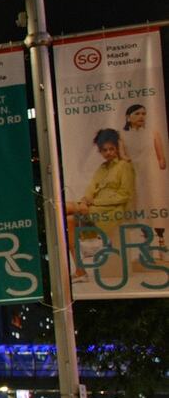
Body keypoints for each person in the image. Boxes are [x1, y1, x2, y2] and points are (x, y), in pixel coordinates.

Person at [65, 128, 137, 280]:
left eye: (112, 149)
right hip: (94, 209)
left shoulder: (124, 166)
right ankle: (80, 271)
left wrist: (91, 202)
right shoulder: (102, 168)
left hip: (113, 210)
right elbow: (91, 187)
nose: (109, 153)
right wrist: (85, 201)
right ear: (100, 151)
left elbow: (125, 195)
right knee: (69, 220)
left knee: (64, 207)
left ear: (117, 148)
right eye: (104, 150)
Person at [120, 103, 169, 250]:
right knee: (139, 205)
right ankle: (144, 242)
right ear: (128, 117)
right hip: (134, 175)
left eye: (143, 114)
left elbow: (161, 157)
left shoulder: (152, 132)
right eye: (137, 114)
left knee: (155, 203)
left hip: (152, 175)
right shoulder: (122, 135)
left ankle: (161, 240)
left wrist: (160, 168)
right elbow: (122, 154)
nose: (141, 116)